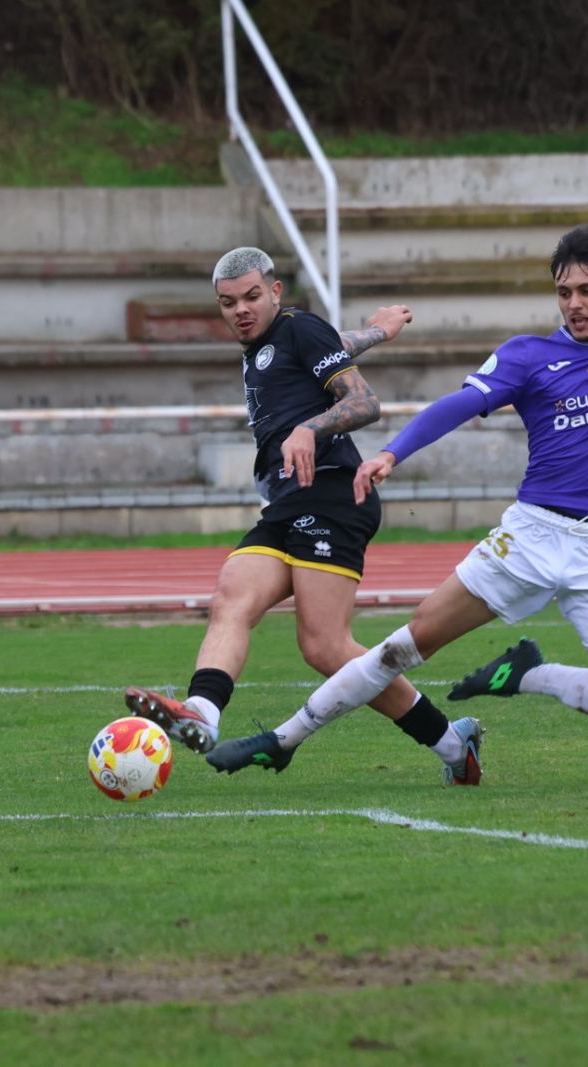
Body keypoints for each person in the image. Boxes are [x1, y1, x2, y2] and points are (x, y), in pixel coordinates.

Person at [207, 142, 588, 770]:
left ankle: (527, 674)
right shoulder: (529, 356)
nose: (574, 304)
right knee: (404, 648)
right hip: (531, 538)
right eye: (564, 292)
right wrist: (394, 453)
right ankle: (283, 740)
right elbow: (456, 405)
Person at [123, 247, 485, 786]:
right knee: (232, 594)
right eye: (228, 303)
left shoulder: (298, 327)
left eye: (251, 297)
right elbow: (333, 347)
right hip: (287, 501)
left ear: (275, 292)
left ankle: (454, 745)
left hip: (333, 493)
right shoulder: (271, 342)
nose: (240, 310)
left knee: (324, 646)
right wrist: (377, 333)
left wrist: (308, 429)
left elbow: (364, 402)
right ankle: (202, 711)